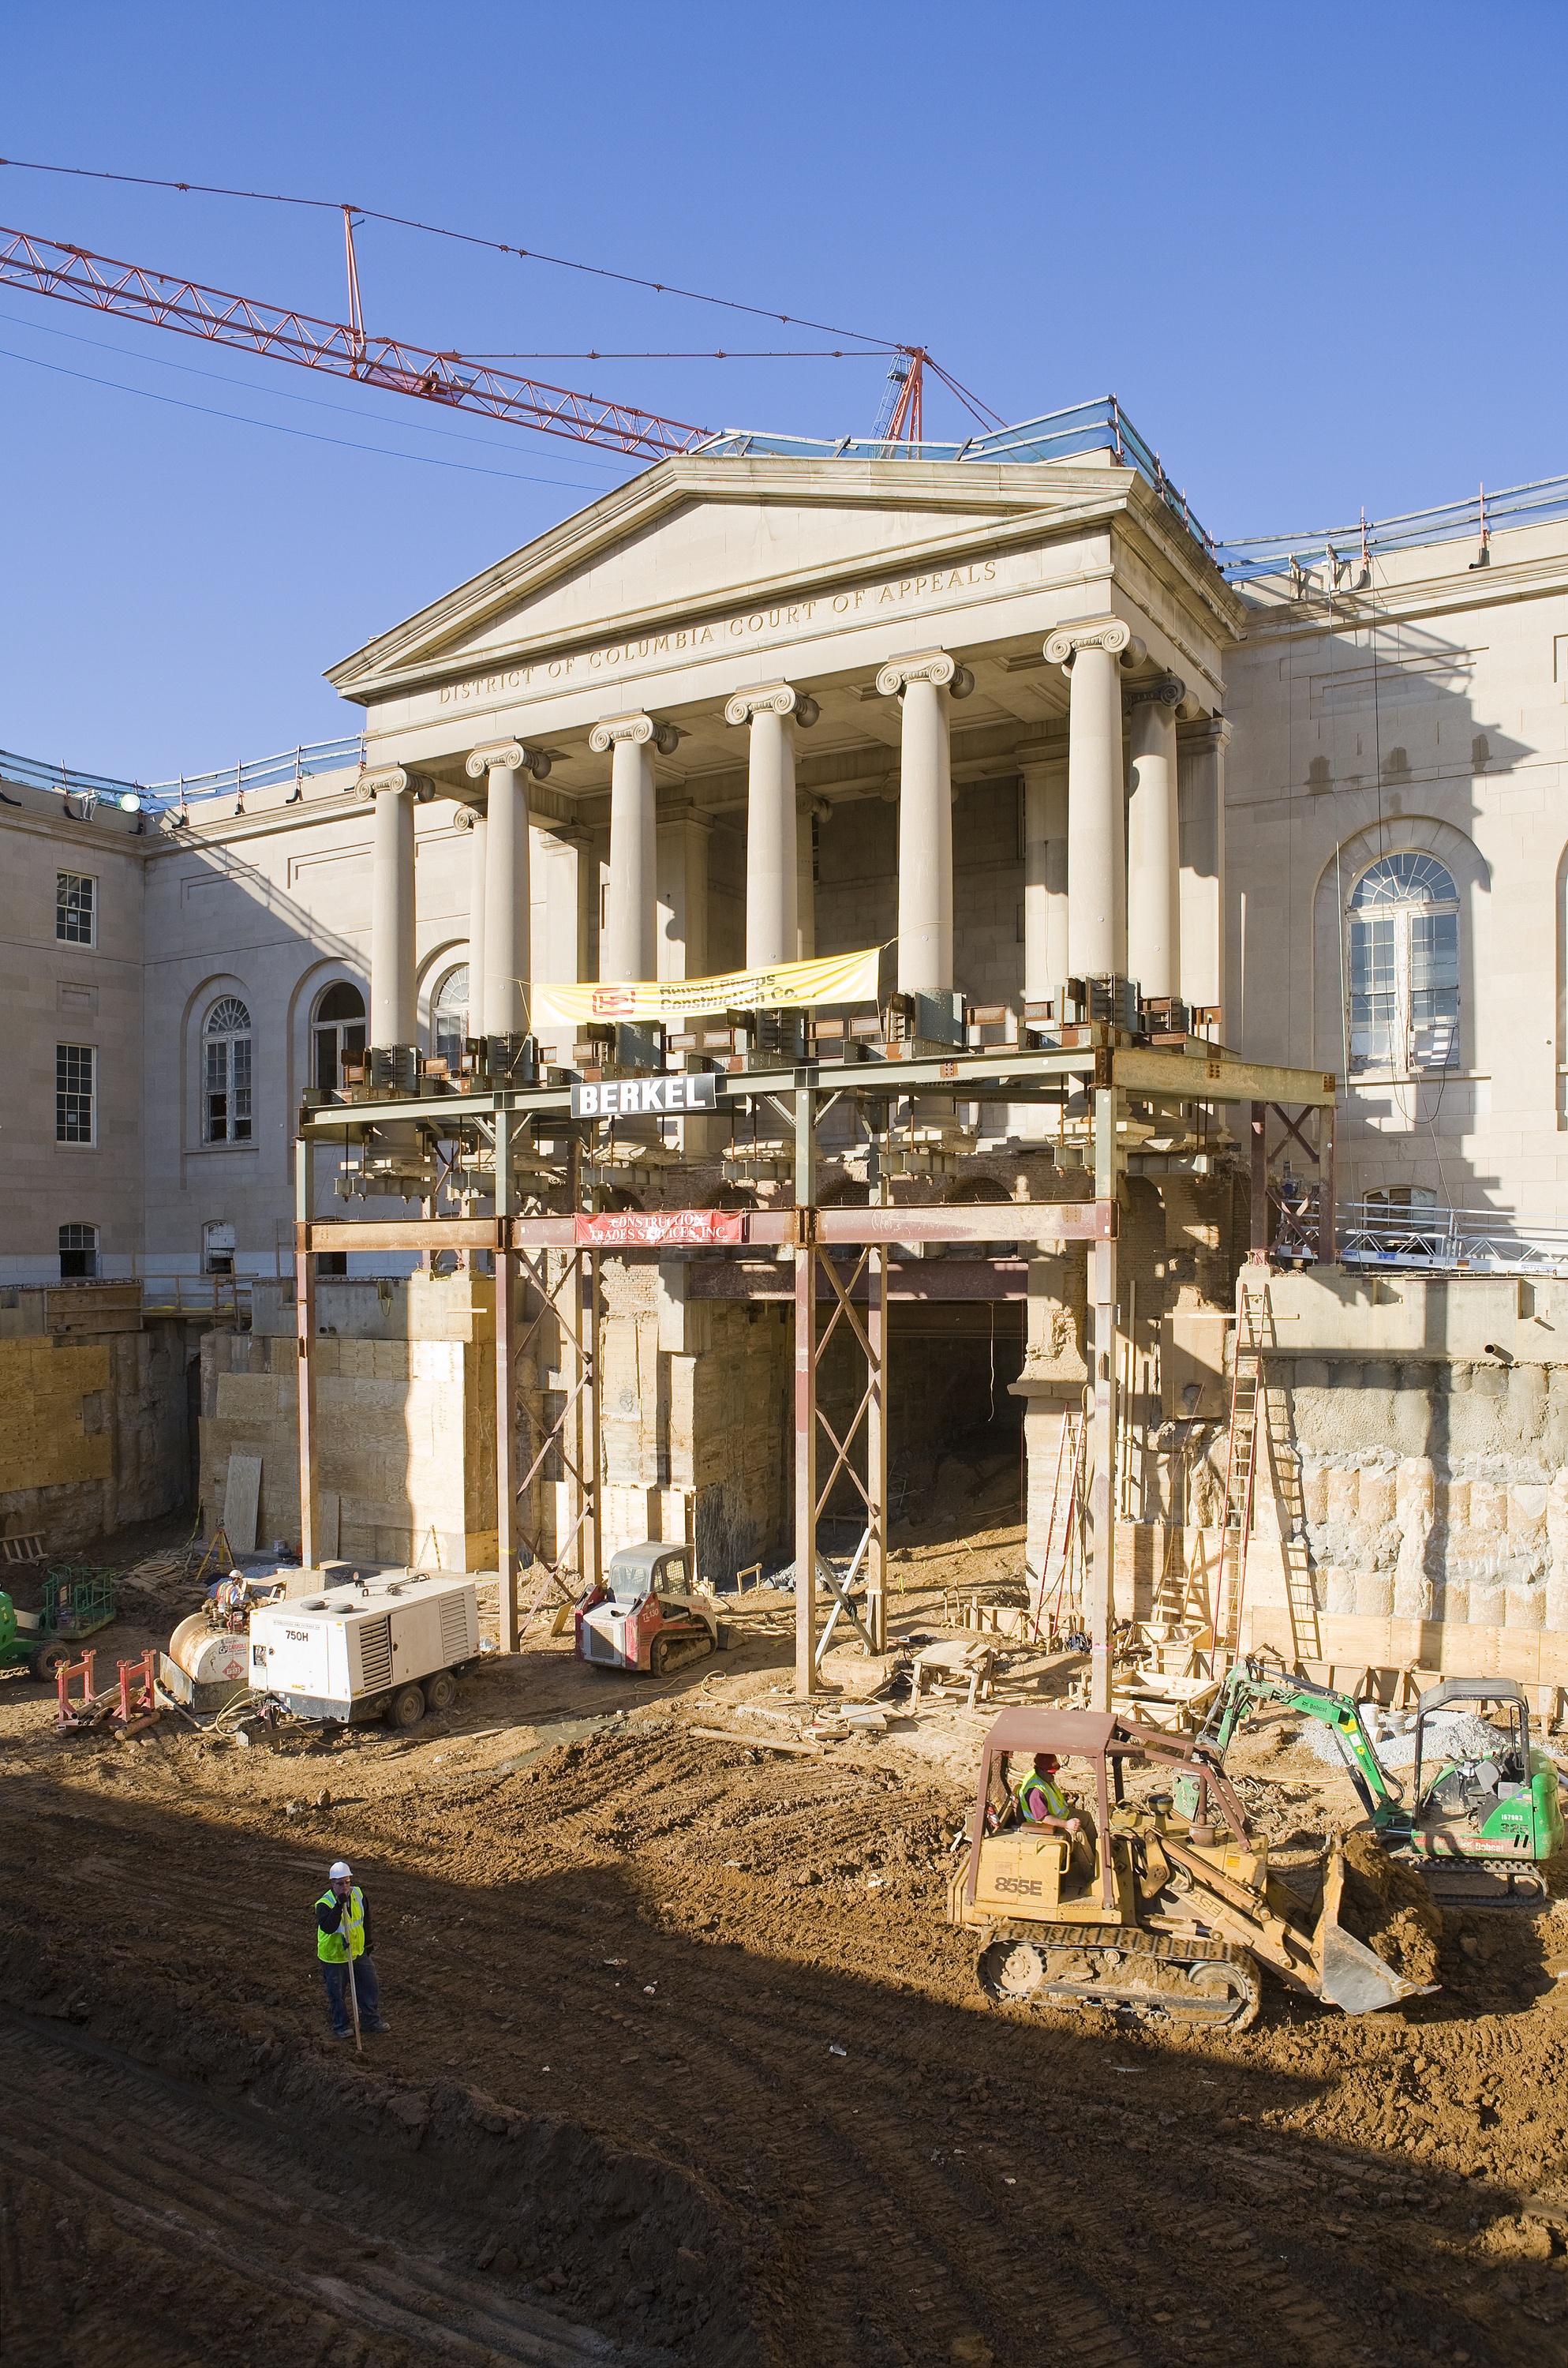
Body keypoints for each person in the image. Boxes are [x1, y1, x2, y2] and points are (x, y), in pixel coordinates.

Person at [314, 1858, 390, 2038]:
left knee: (369, 1985)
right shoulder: (324, 1904)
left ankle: (371, 2020)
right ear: (333, 1883)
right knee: (337, 1993)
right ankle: (341, 2025)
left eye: (347, 1882)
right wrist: (339, 1906)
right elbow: (328, 1927)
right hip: (334, 1956)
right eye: (340, 1884)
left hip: (357, 1951)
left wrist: (368, 1942)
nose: (345, 1887)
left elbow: (366, 1920)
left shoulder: (358, 1895)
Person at [1016, 1752, 1081, 1834]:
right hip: (1046, 1826)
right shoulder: (1035, 1793)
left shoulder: (1044, 1777)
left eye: (1054, 1772)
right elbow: (1044, 1819)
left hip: (1061, 1815)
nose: (1054, 1775)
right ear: (1040, 1769)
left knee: (1086, 1817)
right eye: (1050, 1772)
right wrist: (1067, 1824)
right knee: (1079, 1834)